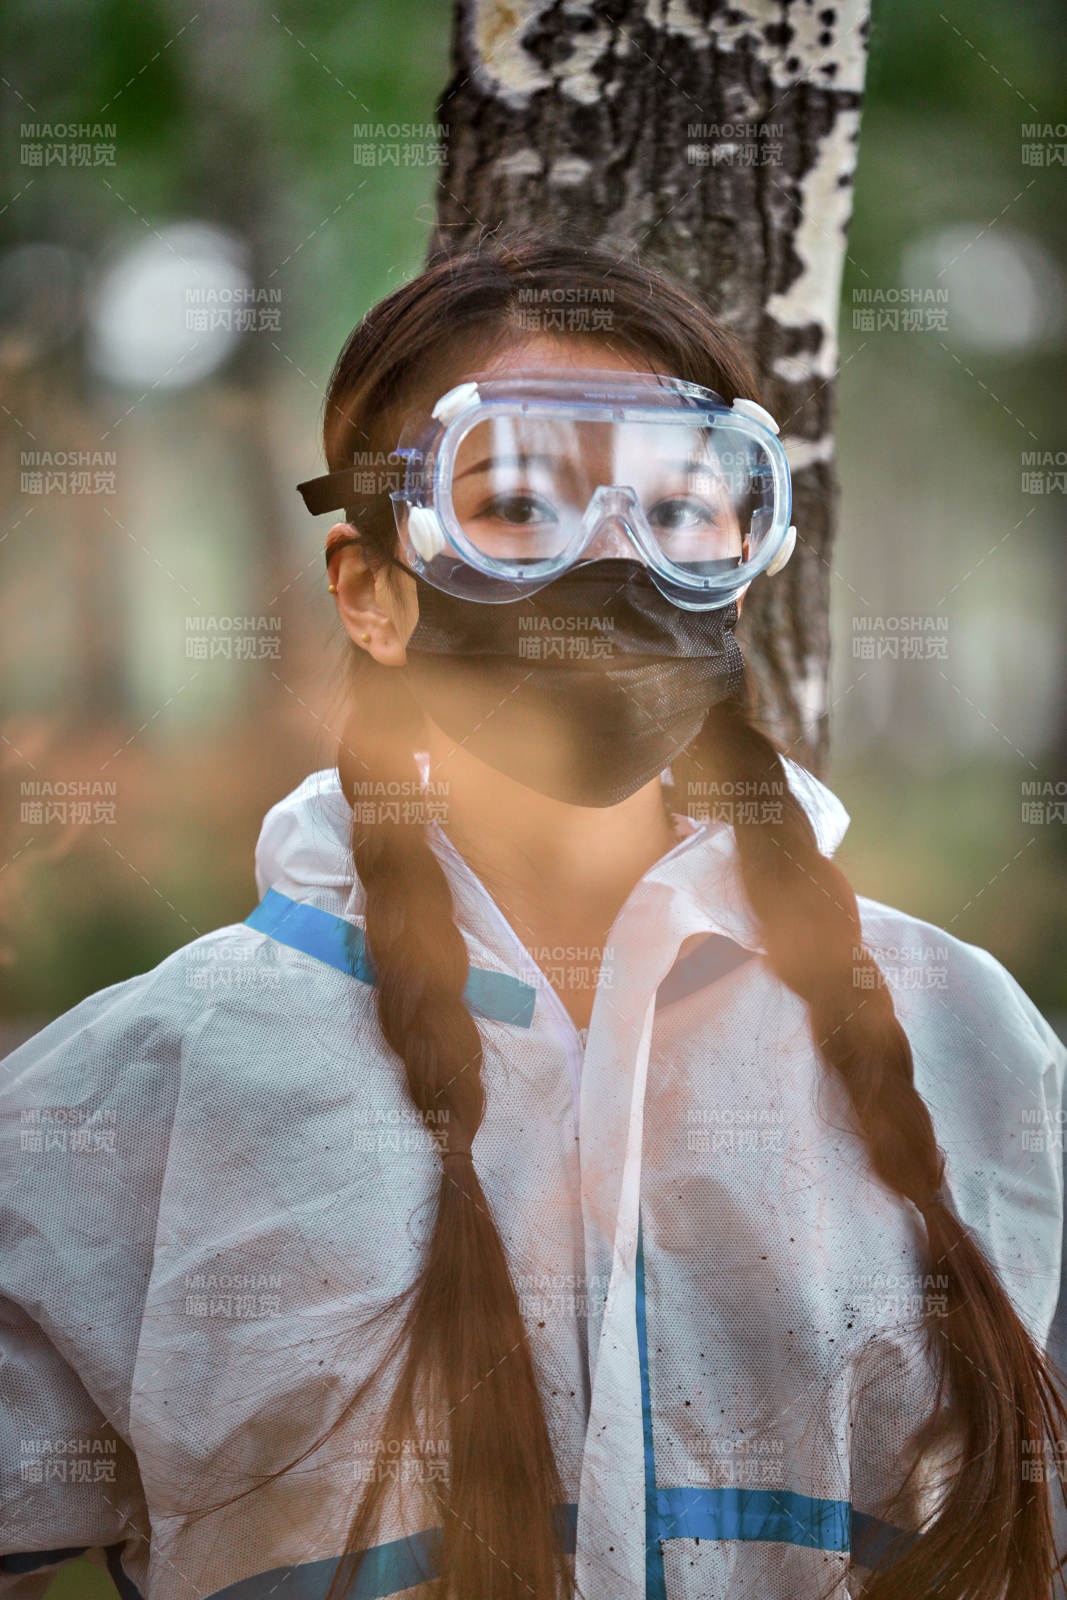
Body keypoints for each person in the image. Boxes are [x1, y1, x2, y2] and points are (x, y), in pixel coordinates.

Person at [2, 234, 1065, 1600]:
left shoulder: (972, 1044)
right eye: (518, 501)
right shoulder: (153, 1084)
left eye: (678, 509)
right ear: (372, 591)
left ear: (744, 560)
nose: (611, 558)